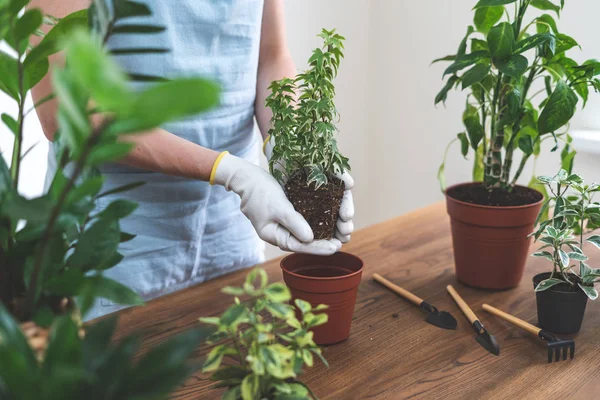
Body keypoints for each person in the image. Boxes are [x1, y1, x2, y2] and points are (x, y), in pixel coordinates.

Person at [31, 0, 354, 320]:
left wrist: (289, 148)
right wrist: (229, 172)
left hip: (230, 225)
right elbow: (63, 110)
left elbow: (270, 56)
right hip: (115, 236)